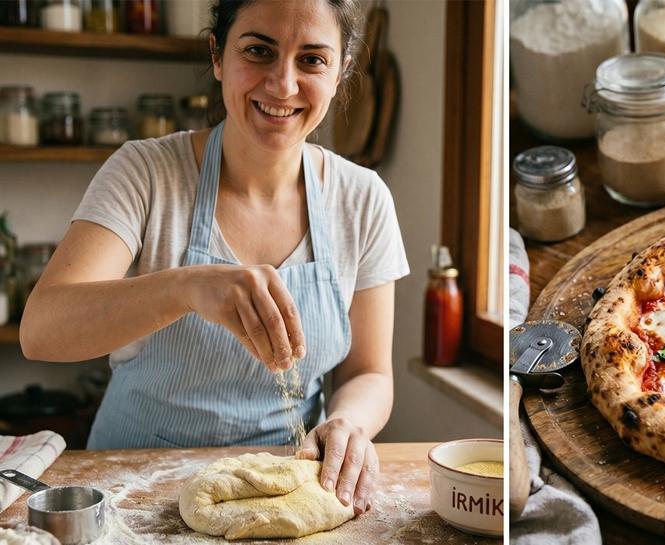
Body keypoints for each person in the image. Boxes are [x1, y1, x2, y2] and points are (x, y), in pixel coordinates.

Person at [19, 0, 408, 516]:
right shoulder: (145, 172)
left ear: (340, 73)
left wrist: (348, 423)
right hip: (135, 485)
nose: (283, 85)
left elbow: (369, 373)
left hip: (284, 483)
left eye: (312, 60)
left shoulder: (363, 199)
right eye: (259, 51)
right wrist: (185, 287)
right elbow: (41, 331)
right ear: (218, 57)